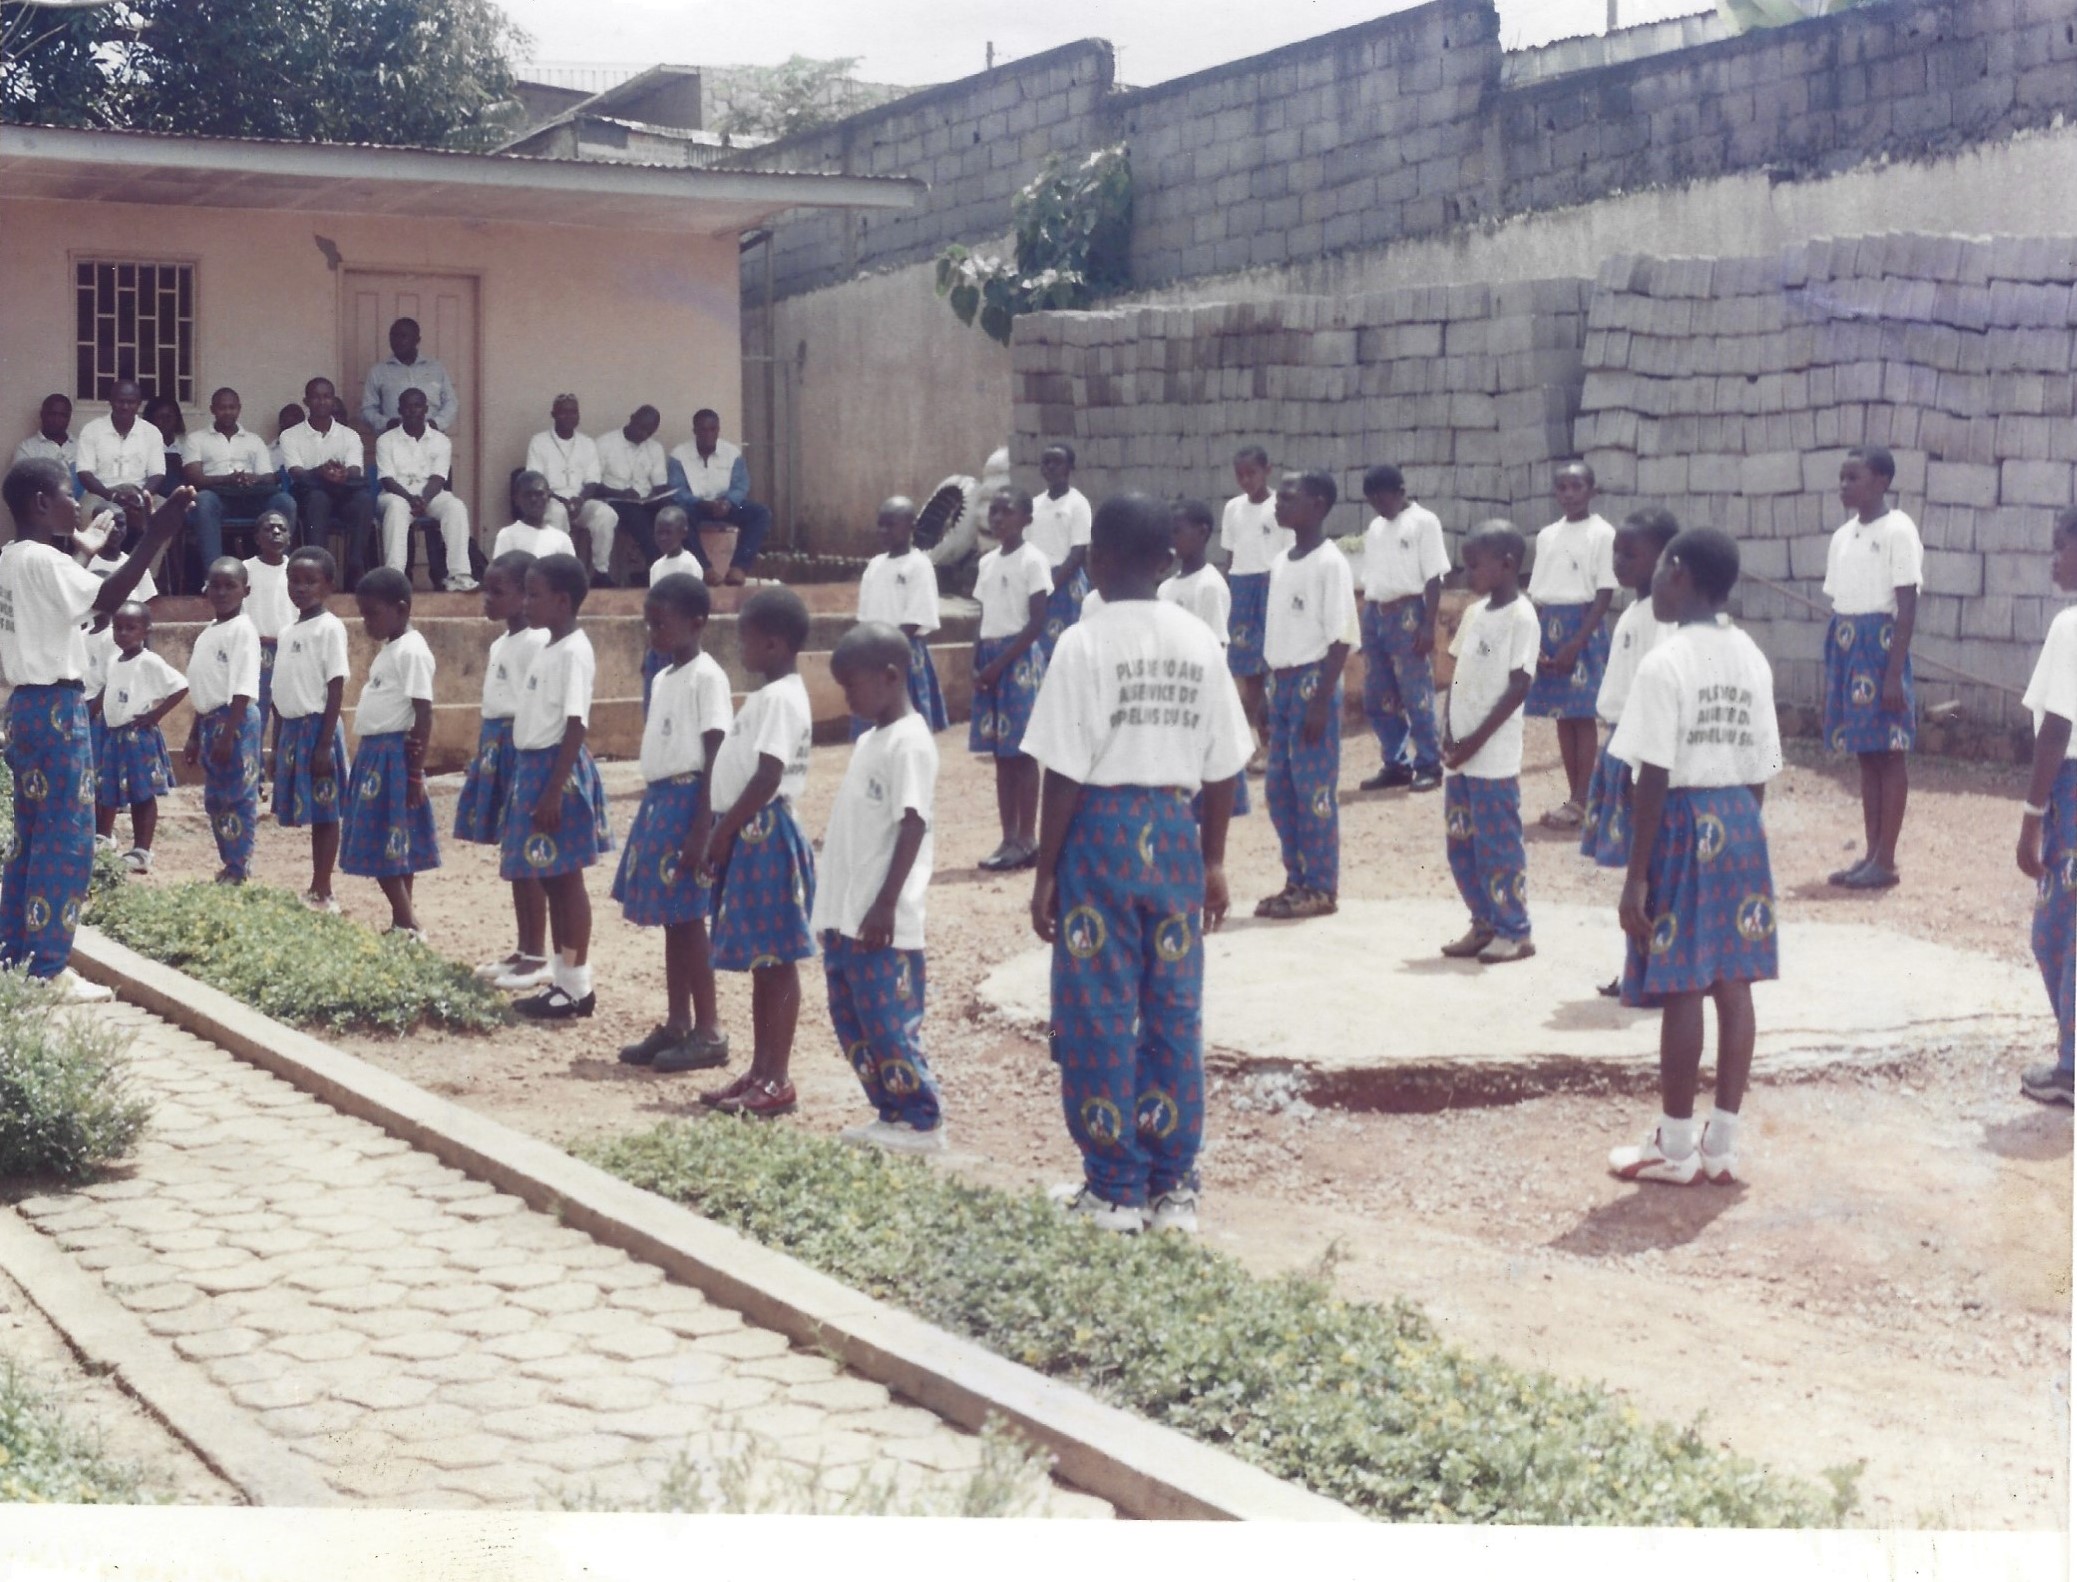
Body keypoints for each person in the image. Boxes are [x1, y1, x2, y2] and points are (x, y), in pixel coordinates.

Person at [1024, 492, 1252, 1233]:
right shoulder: (1196, 642)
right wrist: (1214, 859)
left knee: (1097, 1011)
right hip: (1176, 833)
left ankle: (1114, 1187)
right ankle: (1172, 1188)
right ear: (1165, 562)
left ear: (1094, 559)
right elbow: (1224, 768)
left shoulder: (1081, 642)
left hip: (1100, 831)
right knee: (1172, 1013)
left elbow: (1061, 770)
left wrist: (1045, 870)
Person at [1608, 528, 1782, 1186]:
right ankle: (1722, 1145)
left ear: (1678, 573)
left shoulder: (1665, 661)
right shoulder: (1751, 657)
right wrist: (1734, 833)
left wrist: (1634, 877)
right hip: (1739, 818)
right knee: (1731, 981)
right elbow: (1760, 767)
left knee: (1679, 979)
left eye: (1656, 569)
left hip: (1679, 819)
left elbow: (1649, 773)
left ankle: (1675, 1148)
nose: (1650, 581)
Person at [0, 459, 186, 997]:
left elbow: (64, 598)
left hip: (25, 709)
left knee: (32, 837)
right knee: (66, 839)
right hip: (60, 709)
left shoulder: (13, 559)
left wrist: (84, 546)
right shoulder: (45, 563)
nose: (75, 506)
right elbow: (105, 599)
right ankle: (49, 969)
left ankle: (16, 951)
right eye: (66, 495)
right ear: (40, 503)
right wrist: (156, 534)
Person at [814, 621, 946, 1154]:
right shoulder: (871, 739)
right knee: (853, 1020)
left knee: (890, 1022)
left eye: (852, 685)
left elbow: (912, 824)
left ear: (891, 677)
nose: (846, 697)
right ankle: (889, 1112)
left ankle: (922, 1118)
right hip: (848, 916)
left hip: (881, 921)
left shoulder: (911, 743)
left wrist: (886, 904)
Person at [697, 587, 817, 1117]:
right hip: (749, 832)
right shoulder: (771, 695)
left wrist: (722, 833)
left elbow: (769, 774)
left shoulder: (781, 698)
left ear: (774, 643)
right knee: (761, 962)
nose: (738, 646)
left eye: (745, 637)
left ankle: (779, 1077)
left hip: (762, 833)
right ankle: (761, 1069)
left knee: (777, 959)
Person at [614, 573, 734, 1074]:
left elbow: (714, 751)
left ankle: (709, 1030)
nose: (653, 633)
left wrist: (702, 826)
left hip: (690, 801)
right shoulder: (663, 677)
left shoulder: (708, 677)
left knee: (689, 919)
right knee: (672, 919)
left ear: (696, 623)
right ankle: (678, 1021)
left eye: (661, 624)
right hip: (661, 800)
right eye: (649, 625)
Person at [504, 553, 614, 1020]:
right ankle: (563, 980)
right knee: (549, 877)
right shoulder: (549, 647)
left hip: (556, 772)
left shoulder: (573, 651)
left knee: (566, 878)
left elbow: (575, 725)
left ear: (563, 600)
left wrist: (553, 789)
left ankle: (576, 983)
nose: (526, 603)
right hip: (535, 769)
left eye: (534, 594)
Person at [1581, 509, 1681, 994]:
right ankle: (1639, 969)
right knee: (1638, 869)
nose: (1619, 562)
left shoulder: (1660, 622)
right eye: (1615, 552)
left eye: (1631, 554)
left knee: (1649, 869)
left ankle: (1652, 973)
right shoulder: (1635, 613)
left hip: (1641, 747)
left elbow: (1656, 697)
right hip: (1620, 742)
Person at [1255, 470, 1354, 922]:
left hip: (1314, 680)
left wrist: (1320, 701)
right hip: (1282, 681)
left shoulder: (1330, 563)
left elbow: (1340, 639)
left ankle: (1320, 885)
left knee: (1313, 788)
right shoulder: (1281, 561)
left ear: (1317, 505)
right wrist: (1265, 694)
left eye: (1289, 496)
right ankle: (1295, 878)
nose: (1278, 502)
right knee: (1279, 788)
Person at [1441, 521, 1540, 965]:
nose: (1467, 575)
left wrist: (1475, 742)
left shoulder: (1522, 617)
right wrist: (1448, 731)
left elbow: (1518, 687)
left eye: (1475, 566)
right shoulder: (1475, 613)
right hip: (1460, 754)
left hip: (1491, 756)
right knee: (1462, 843)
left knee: (1498, 846)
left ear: (1507, 565)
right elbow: (1457, 674)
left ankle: (1514, 930)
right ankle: (1484, 921)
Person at [1823, 445, 1921, 890]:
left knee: (1889, 751)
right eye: (1841, 478)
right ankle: (1870, 855)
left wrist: (1892, 672)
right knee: (1865, 752)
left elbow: (1906, 605)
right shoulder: (1842, 537)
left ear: (1881, 481)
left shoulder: (1898, 529)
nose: (1844, 486)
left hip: (1881, 649)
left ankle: (1887, 857)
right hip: (1848, 646)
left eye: (1854, 478)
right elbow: (1841, 601)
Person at [459, 551, 551, 992]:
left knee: (526, 856)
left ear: (523, 594)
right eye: (484, 589)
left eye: (498, 591)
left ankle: (537, 954)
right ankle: (523, 947)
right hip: (496, 744)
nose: (487, 598)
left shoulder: (537, 642)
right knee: (512, 856)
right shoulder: (500, 643)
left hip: (521, 747)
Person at [2015, 507, 2077, 1107]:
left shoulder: (2071, 626)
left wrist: (2032, 819)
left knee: (2059, 932)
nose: (2053, 558)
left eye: (2061, 546)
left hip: (2072, 791)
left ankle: (2072, 1067)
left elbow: (2056, 729)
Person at [340, 568, 441, 936]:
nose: (367, 622)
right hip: (374, 753)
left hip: (393, 756)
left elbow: (423, 710)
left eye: (373, 614)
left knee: (382, 840)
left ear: (400, 609)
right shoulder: (391, 648)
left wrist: (415, 771)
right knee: (393, 841)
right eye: (363, 614)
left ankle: (409, 922)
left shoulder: (412, 651)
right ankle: (401, 921)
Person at [1527, 461, 1618, 831]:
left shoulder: (1603, 533)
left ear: (1592, 490)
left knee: (1582, 715)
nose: (1568, 494)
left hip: (1583, 629)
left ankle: (1583, 800)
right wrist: (1536, 640)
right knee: (1562, 717)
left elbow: (1604, 593)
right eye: (1561, 488)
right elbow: (1537, 594)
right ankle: (1575, 797)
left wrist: (1576, 644)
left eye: (1576, 487)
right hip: (1551, 628)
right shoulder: (1547, 535)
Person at [969, 486, 1052, 872]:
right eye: (994, 512)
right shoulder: (987, 563)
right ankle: (1008, 837)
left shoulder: (1033, 561)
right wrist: (976, 662)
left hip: (1017, 662)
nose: (998, 518)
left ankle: (1028, 837)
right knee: (1001, 756)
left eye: (1007, 511)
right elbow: (982, 617)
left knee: (1021, 754)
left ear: (1026, 519)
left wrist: (999, 664)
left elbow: (1036, 623)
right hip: (990, 660)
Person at [1355, 464, 1447, 794]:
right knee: (1378, 694)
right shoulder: (1376, 528)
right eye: (1373, 501)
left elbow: (1434, 577)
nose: (1379, 506)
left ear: (1400, 492)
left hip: (1409, 611)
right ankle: (1395, 763)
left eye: (1383, 498)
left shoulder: (1424, 522)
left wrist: (1427, 624)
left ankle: (1429, 764)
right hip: (1376, 612)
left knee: (1416, 694)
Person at [270, 547, 352, 915]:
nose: (300, 588)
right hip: (290, 730)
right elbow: (278, 691)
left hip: (319, 728)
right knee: (310, 810)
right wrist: (274, 748)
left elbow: (336, 686)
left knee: (325, 811)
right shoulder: (288, 631)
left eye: (310, 581)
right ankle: (315, 885)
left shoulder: (330, 627)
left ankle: (323, 888)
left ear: (328, 585)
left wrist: (323, 744)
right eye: (294, 580)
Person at [1160, 498, 1249, 819]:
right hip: (1173, 691)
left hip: (1200, 691)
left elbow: (1215, 646)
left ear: (1202, 532)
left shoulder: (1209, 586)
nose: (1172, 538)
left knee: (1207, 775)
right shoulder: (1166, 589)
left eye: (1177, 531)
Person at [181, 557, 263, 885]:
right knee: (216, 798)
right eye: (216, 585)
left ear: (246, 590)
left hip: (235, 720)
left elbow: (242, 686)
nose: (222, 591)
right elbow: (204, 688)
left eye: (230, 585)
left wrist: (230, 734)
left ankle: (239, 865)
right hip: (211, 722)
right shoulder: (209, 633)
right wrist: (194, 735)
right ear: (205, 589)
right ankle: (230, 860)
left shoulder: (243, 630)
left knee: (237, 796)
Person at [93, 601, 185, 876]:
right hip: (113, 735)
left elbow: (180, 686)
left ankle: (142, 850)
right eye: (118, 628)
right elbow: (106, 691)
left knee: (142, 794)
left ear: (145, 630)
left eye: (130, 628)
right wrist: (90, 713)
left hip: (137, 736)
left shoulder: (149, 661)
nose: (123, 633)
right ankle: (103, 838)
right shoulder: (114, 660)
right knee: (108, 788)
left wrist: (156, 715)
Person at [853, 496, 948, 738]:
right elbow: (864, 618)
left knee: (906, 727)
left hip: (903, 653)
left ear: (911, 527)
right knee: (873, 728)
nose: (883, 531)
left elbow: (916, 617)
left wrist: (886, 650)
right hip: (872, 653)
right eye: (880, 525)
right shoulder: (874, 566)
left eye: (891, 525)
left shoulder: (919, 565)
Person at [1220, 444, 1289, 774]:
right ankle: (1261, 743)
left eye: (1252, 473)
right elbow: (1229, 557)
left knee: (1275, 665)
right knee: (1249, 673)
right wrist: (1228, 593)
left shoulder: (1281, 507)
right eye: (1240, 475)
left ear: (1267, 471)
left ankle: (1279, 744)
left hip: (1272, 586)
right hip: (1242, 589)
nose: (1246, 480)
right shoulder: (1233, 508)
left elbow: (1289, 556)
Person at [182, 387, 295, 576]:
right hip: (218, 501)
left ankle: (281, 574)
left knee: (284, 501)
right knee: (204, 500)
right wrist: (227, 480)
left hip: (251, 500)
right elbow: (194, 478)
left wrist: (254, 479)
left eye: (232, 407)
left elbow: (267, 477)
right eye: (222, 408)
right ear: (212, 410)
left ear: (239, 408)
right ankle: (214, 577)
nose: (228, 412)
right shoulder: (196, 439)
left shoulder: (254, 440)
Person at [375, 387, 476, 591]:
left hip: (430, 494)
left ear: (426, 409)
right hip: (396, 494)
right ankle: (395, 578)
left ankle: (460, 575)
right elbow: (387, 479)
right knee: (396, 509)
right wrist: (411, 499)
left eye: (417, 406)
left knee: (455, 507)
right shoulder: (386, 440)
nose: (413, 411)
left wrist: (423, 499)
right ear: (400, 410)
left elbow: (439, 478)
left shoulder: (441, 441)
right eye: (407, 406)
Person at [280, 378, 374, 580]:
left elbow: (355, 470)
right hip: (309, 498)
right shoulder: (290, 436)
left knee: (364, 500)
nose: (321, 402)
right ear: (306, 401)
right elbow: (296, 472)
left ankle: (355, 568)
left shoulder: (350, 435)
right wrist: (320, 472)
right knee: (318, 498)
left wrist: (343, 474)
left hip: (344, 495)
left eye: (327, 397)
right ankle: (318, 570)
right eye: (315, 397)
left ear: (333, 400)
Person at [667, 408, 770, 586]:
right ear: (695, 431)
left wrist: (728, 502)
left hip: (725, 506)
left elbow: (741, 485)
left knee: (760, 513)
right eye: (703, 430)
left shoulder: (732, 453)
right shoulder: (679, 455)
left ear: (718, 430)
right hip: (695, 507)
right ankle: (705, 569)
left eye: (712, 429)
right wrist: (702, 503)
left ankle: (738, 568)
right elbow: (677, 491)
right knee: (677, 516)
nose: (708, 434)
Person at [526, 394, 619, 587]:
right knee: (557, 513)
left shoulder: (587, 443)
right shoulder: (539, 441)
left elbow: (593, 480)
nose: (569, 417)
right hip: (551, 499)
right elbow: (536, 480)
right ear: (553, 414)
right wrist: (561, 500)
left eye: (574, 412)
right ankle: (560, 574)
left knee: (605, 514)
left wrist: (579, 500)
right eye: (564, 412)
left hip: (581, 499)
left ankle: (600, 572)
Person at [76, 380, 167, 547]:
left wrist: (140, 498)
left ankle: (148, 572)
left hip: (140, 492)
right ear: (110, 401)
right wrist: (111, 496)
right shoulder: (92, 430)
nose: (125, 406)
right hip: (101, 493)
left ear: (139, 404)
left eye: (131, 402)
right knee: (85, 511)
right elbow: (84, 473)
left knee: (166, 512)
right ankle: (91, 569)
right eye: (120, 401)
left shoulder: (151, 432)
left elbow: (157, 473)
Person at [1027, 443, 1092, 658]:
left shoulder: (1077, 504)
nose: (1051, 467)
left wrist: (1051, 587)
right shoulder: (1034, 505)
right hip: (1039, 581)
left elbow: (1078, 552)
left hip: (1065, 582)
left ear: (1069, 467)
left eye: (1057, 462)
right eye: (1046, 462)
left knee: (1066, 646)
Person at [243, 509, 295, 761]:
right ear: (257, 537)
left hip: (289, 650)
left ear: (290, 536)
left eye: (282, 528)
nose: (276, 532)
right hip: (257, 650)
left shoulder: (297, 569)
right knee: (257, 714)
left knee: (286, 714)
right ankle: (255, 773)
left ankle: (281, 769)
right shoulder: (245, 569)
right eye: (269, 528)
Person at [595, 405, 675, 565]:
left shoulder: (655, 448)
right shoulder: (604, 443)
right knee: (638, 517)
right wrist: (620, 494)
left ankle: (679, 563)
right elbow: (594, 485)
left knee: (673, 514)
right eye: (641, 428)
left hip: (645, 500)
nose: (643, 435)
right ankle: (659, 565)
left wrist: (659, 495)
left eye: (649, 432)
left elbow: (660, 484)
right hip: (615, 499)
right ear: (632, 418)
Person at [641, 507, 700, 712]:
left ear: (683, 533)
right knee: (651, 703)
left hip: (678, 645)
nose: (663, 538)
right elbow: (651, 613)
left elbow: (693, 609)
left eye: (669, 532)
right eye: (659, 532)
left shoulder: (689, 565)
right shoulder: (656, 567)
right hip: (656, 646)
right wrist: (646, 651)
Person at [360, 317, 458, 434]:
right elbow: (367, 409)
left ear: (417, 340)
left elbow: (451, 402)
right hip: (394, 440)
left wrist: (437, 423)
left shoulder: (436, 368)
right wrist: (387, 423)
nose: (397, 341)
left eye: (403, 336)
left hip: (432, 438)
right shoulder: (378, 371)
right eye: (393, 336)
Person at [491, 472, 577, 562]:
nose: (534, 499)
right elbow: (501, 574)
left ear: (548, 497)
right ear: (516, 499)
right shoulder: (507, 535)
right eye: (527, 495)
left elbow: (571, 574)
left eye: (539, 494)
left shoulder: (562, 539)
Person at [13, 394, 75, 472]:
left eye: (63, 415)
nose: (56, 420)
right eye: (52, 414)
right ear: (42, 415)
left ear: (69, 417)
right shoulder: (27, 449)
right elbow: (21, 481)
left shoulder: (81, 447)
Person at [268, 404, 304, 475]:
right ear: (281, 423)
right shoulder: (268, 452)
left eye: (297, 419)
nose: (295, 421)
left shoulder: (310, 448)